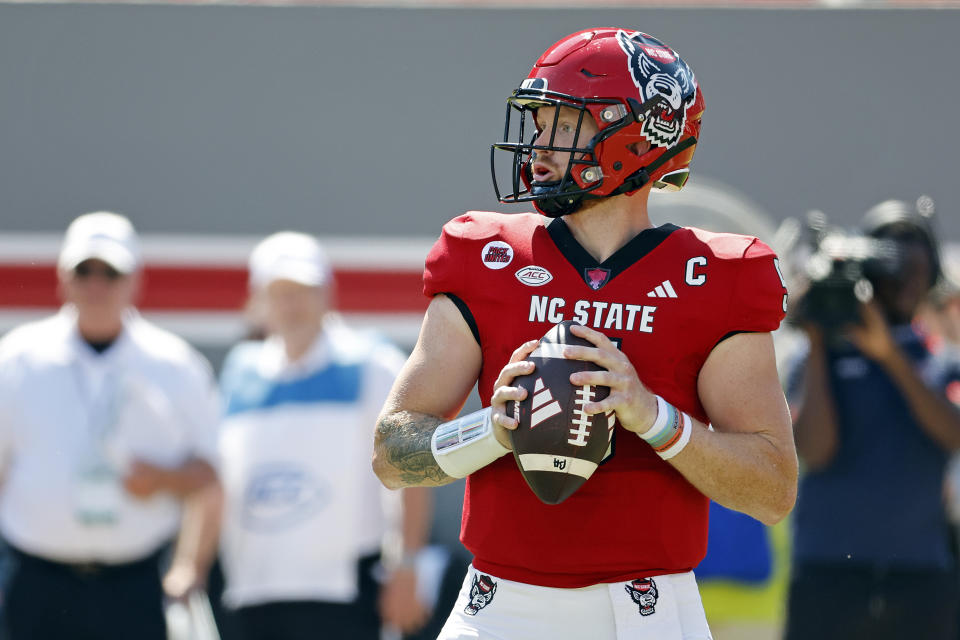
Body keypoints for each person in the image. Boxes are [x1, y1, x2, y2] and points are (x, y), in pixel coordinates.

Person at [372, 28, 797, 639]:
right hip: (497, 605)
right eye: (538, 123)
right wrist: (492, 427)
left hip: (646, 611)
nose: (539, 146)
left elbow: (772, 490)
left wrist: (653, 416)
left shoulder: (719, 275)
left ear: (635, 135)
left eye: (564, 124)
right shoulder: (484, 253)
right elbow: (390, 453)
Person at [0, 211, 223, 640]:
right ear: (63, 277)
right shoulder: (16, 360)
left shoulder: (174, 364)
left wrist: (165, 481)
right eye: (85, 271)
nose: (96, 284)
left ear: (135, 280)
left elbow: (211, 475)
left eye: (111, 272)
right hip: (35, 580)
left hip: (133, 585)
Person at [216, 231, 434, 640]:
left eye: (302, 290)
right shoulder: (239, 373)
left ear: (328, 293)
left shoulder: (370, 363)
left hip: (346, 593)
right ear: (257, 299)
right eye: (279, 292)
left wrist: (407, 567)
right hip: (254, 592)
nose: (290, 305)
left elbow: (412, 470)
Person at [785, 200, 960, 639]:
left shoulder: (941, 361)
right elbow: (815, 451)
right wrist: (820, 339)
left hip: (919, 578)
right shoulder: (815, 358)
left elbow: (953, 433)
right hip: (827, 575)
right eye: (897, 271)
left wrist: (888, 355)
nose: (905, 285)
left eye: (917, 273)